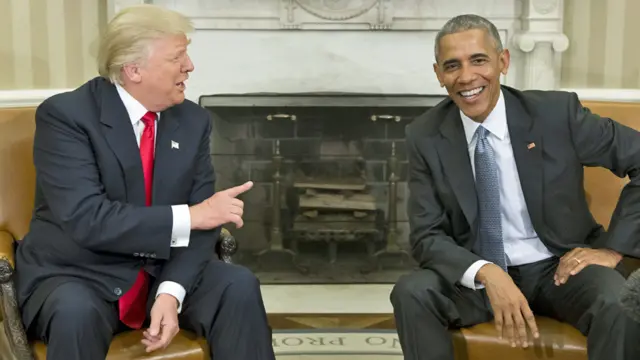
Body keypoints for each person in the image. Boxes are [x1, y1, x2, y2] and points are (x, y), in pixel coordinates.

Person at [14, 4, 275, 360]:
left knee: (238, 285)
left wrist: (171, 291)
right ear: (133, 70)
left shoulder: (193, 120)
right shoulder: (67, 117)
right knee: (75, 312)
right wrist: (191, 216)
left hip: (160, 269)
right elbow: (88, 219)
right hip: (78, 273)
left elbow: (205, 225)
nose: (190, 67)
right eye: (178, 57)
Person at [391, 14, 640, 360]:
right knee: (411, 292)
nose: (466, 77)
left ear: (503, 61)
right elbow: (425, 235)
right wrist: (488, 274)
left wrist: (613, 250)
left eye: (479, 60)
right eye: (452, 66)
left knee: (621, 300)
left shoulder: (556, 114)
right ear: (438, 74)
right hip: (478, 276)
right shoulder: (424, 135)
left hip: (561, 265)